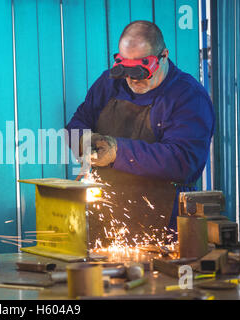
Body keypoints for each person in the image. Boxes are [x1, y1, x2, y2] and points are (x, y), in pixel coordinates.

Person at [66, 21, 215, 244]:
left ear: (164, 55)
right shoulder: (109, 84)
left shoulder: (188, 96)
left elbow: (184, 161)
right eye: (126, 71)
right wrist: (84, 141)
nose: (133, 80)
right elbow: (77, 122)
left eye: (142, 72)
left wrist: (118, 151)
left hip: (162, 225)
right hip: (104, 221)